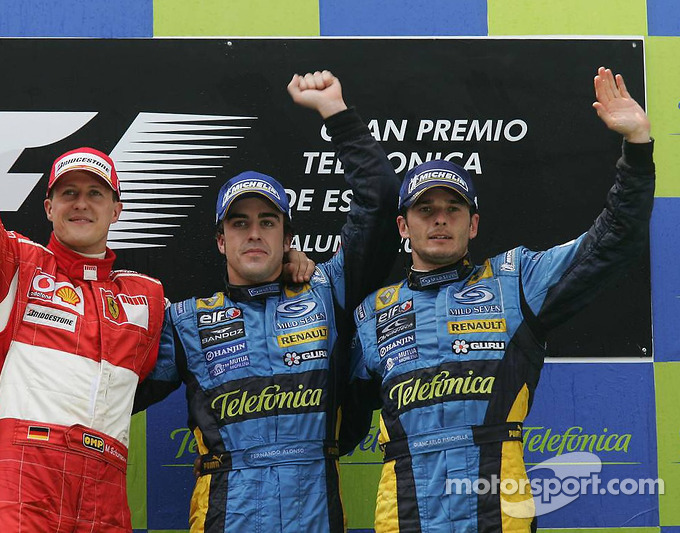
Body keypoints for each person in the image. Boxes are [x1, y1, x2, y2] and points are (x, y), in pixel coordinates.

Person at [349, 67, 654, 532]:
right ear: (402, 227)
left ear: (472, 225)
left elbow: (611, 242)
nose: (440, 220)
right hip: (405, 520)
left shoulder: (516, 281)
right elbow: (323, 417)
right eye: (425, 210)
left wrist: (636, 151)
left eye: (454, 209)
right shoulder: (372, 314)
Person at [0, 12, 167, 532]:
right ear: (48, 207)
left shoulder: (148, 298)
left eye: (95, 193)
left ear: (116, 210)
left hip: (104, 494)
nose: (81, 203)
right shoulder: (14, 267)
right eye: (67, 193)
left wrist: (293, 267)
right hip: (25, 482)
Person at [133, 71, 401, 531]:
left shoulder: (328, 290)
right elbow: (115, 389)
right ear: (220, 241)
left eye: (267, 221)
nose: (253, 232)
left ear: (287, 235)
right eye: (239, 223)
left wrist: (336, 113)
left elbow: (378, 202)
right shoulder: (185, 322)